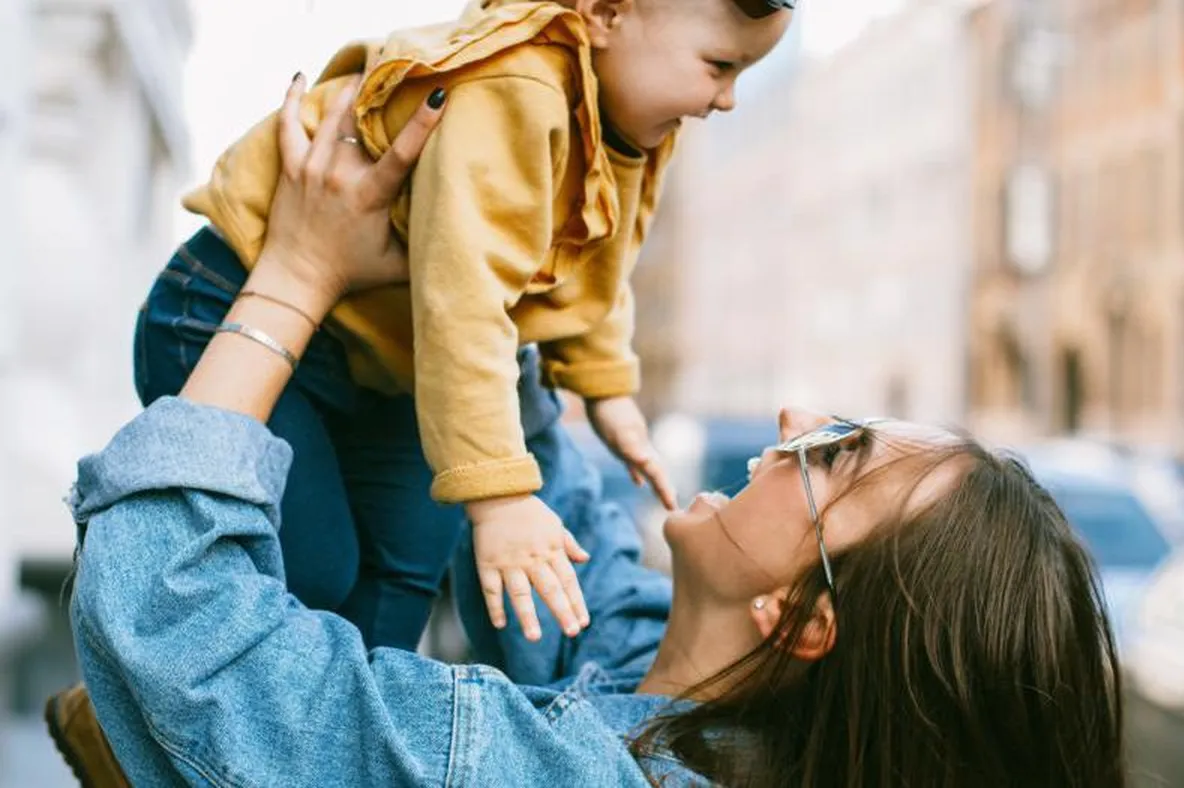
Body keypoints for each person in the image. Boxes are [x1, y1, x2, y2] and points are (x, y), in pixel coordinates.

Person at [52, 70, 1126, 787]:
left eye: (834, 454)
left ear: (800, 619)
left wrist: (297, 271)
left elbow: (180, 625)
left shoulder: (557, 770)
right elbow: (565, 530)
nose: (798, 417)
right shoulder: (678, 685)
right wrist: (479, 249)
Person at [135, 0, 794, 654]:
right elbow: (467, 299)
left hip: (385, 360)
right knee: (316, 566)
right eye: (719, 66)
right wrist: (501, 497)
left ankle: (332, 746)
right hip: (231, 304)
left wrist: (605, 385)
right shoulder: (516, 90)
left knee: (406, 567)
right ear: (606, 14)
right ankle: (146, 714)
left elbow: (591, 258)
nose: (727, 100)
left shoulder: (626, 122)